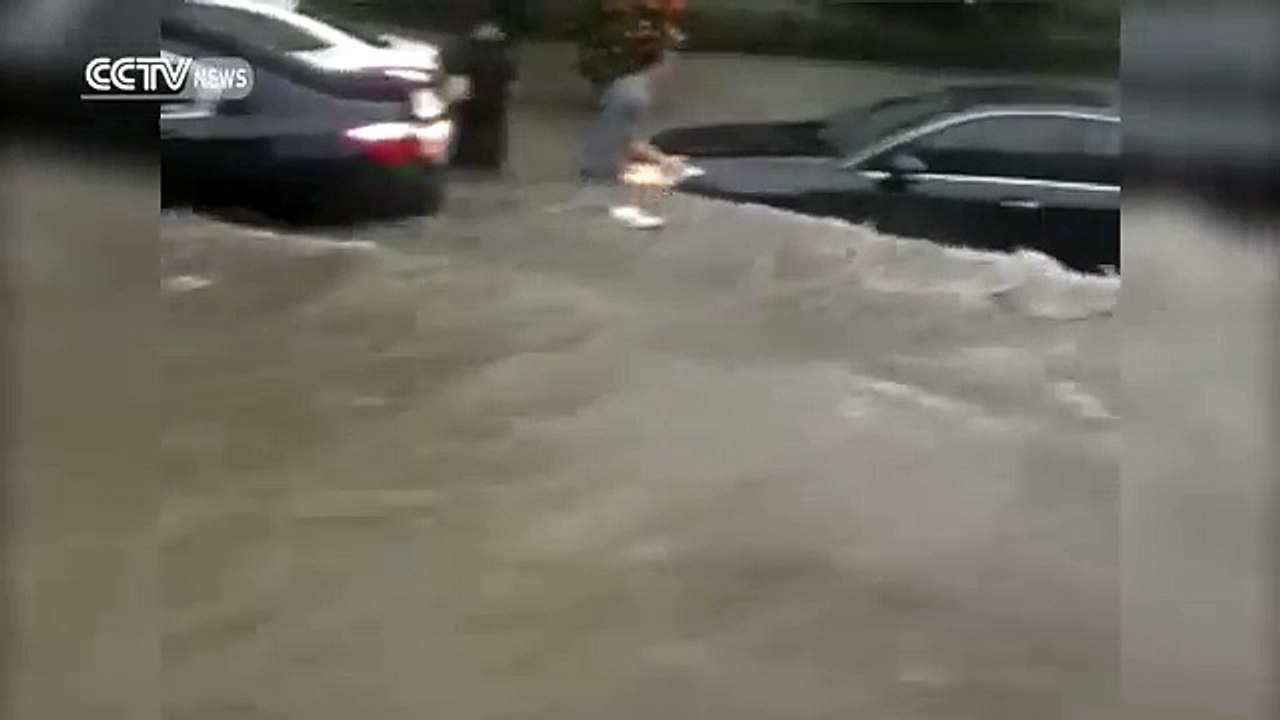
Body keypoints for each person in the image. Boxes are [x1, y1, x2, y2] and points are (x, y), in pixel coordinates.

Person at [575, 32, 685, 229]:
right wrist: (663, 160)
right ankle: (631, 207)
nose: (671, 73)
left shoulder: (625, 84)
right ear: (657, 67)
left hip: (596, 151)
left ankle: (630, 203)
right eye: (669, 67)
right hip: (607, 161)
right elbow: (628, 141)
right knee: (663, 177)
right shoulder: (637, 96)